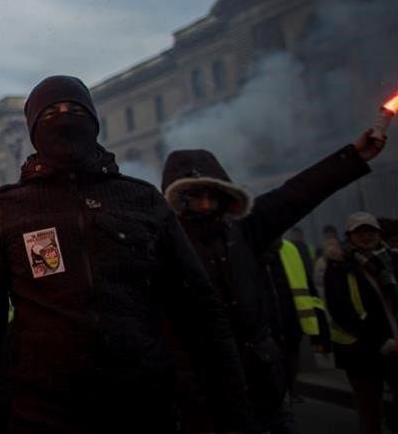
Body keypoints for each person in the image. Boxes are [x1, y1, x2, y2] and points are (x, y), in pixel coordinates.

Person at [0, 76, 250, 433]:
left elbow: (202, 312)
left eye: (75, 110)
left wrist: (234, 413)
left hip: (144, 408)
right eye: (51, 113)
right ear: (34, 129)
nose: (65, 118)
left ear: (93, 122)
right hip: (41, 414)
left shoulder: (142, 200)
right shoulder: (5, 209)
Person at [161, 127, 383, 432]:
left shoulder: (245, 230)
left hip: (261, 386)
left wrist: (353, 157)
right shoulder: (160, 244)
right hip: (200, 395)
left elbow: (296, 194)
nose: (204, 205)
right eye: (193, 195)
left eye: (212, 195)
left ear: (226, 194)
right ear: (175, 198)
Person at [325, 212, 398, 434]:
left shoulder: (392, 260)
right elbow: (341, 310)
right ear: (350, 236)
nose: (366, 236)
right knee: (370, 411)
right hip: (361, 351)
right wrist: (380, 340)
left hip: (395, 343)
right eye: (360, 232)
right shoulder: (339, 266)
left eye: (371, 231)